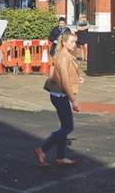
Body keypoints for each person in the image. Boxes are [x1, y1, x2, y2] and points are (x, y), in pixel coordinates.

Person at [34, 32, 82, 167]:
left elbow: (62, 76)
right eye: (71, 42)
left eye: (75, 42)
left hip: (58, 95)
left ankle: (60, 157)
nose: (74, 44)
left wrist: (77, 79)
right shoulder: (64, 57)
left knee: (64, 126)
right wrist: (74, 101)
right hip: (60, 96)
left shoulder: (63, 55)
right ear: (64, 42)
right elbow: (65, 83)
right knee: (68, 127)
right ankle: (42, 150)